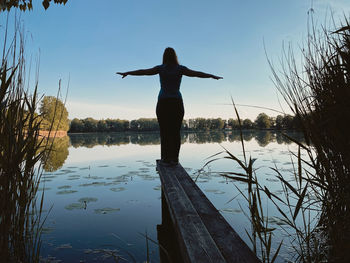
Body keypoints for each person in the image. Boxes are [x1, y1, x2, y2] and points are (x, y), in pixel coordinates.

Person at [117, 47, 222, 166]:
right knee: (175, 132)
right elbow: (196, 74)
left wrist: (128, 73)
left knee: (165, 131)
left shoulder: (160, 68)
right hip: (176, 102)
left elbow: (144, 71)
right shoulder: (180, 69)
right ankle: (175, 159)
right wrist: (211, 75)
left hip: (163, 103)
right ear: (175, 56)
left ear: (164, 56)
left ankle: (166, 159)